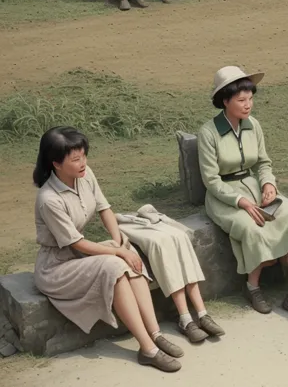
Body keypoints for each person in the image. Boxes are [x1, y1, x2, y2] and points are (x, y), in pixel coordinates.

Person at [33, 127, 182, 372]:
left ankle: (155, 334)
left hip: (79, 256)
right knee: (115, 263)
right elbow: (75, 243)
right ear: (56, 164)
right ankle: (147, 349)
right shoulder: (49, 199)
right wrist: (119, 252)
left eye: (84, 156)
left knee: (128, 254)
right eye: (76, 159)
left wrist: (119, 240)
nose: (83, 163)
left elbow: (104, 208)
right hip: (56, 267)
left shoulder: (85, 174)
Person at [198, 66, 288, 318]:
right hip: (224, 197)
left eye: (250, 98)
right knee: (251, 225)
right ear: (225, 100)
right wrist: (242, 202)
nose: (248, 104)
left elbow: (263, 162)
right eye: (241, 100)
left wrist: (268, 184)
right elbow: (210, 179)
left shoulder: (254, 126)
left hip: (254, 188)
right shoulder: (208, 133)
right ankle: (252, 287)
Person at [116, 206, 225, 344]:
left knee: (180, 237)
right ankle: (185, 320)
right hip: (142, 232)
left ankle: (203, 314)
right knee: (161, 246)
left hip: (153, 225)